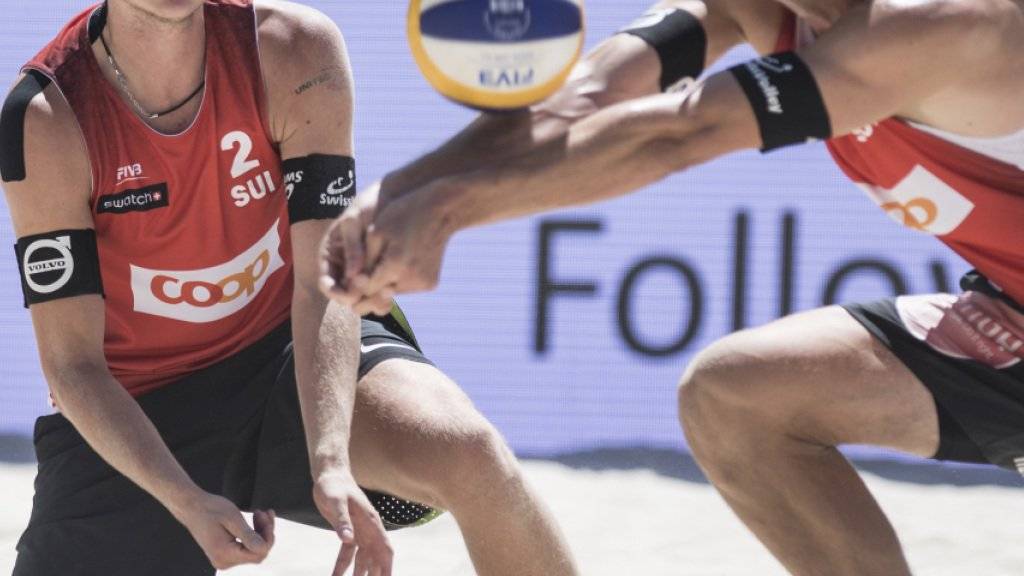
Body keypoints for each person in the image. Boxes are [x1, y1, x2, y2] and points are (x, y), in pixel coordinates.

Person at [321, 0, 1024, 574]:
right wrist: (399, 193)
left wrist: (446, 211)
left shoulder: (938, 19)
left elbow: (678, 136)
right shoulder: (757, 8)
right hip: (1008, 313)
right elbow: (584, 99)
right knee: (736, 398)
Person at [0, 1, 579, 575]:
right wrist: (185, 500)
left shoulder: (294, 47)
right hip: (140, 404)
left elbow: (321, 284)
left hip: (286, 353)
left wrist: (328, 457)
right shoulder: (47, 114)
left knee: (470, 452)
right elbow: (73, 366)